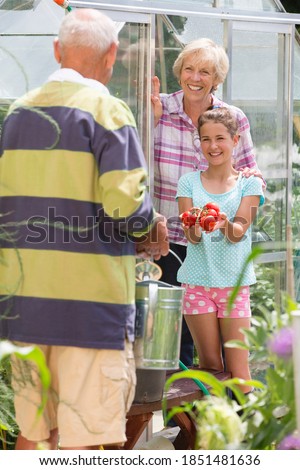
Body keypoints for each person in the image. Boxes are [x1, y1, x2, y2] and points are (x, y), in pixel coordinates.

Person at [0, 9, 169, 450]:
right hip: (89, 308)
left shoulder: (18, 112)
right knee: (91, 442)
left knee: (35, 436)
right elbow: (125, 206)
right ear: (111, 54)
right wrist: (153, 227)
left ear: (57, 51)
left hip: (25, 304)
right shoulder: (108, 111)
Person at [151, 38, 263, 367]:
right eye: (189, 69)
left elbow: (252, 175)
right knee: (174, 343)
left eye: (205, 72)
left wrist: (237, 223)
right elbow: (137, 168)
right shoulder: (159, 109)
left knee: (229, 353)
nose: (195, 78)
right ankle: (184, 418)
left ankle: (229, 415)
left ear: (216, 79)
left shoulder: (231, 118)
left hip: (221, 247)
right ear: (179, 73)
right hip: (168, 242)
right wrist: (150, 119)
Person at [176, 107, 265, 393]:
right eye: (205, 139)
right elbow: (192, 237)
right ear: (198, 142)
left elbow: (239, 233)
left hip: (234, 285)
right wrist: (194, 225)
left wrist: (224, 223)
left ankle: (249, 433)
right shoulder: (188, 182)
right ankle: (211, 434)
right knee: (211, 367)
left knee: (239, 371)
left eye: (220, 138)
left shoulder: (249, 184)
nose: (212, 146)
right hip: (197, 284)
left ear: (235, 140)